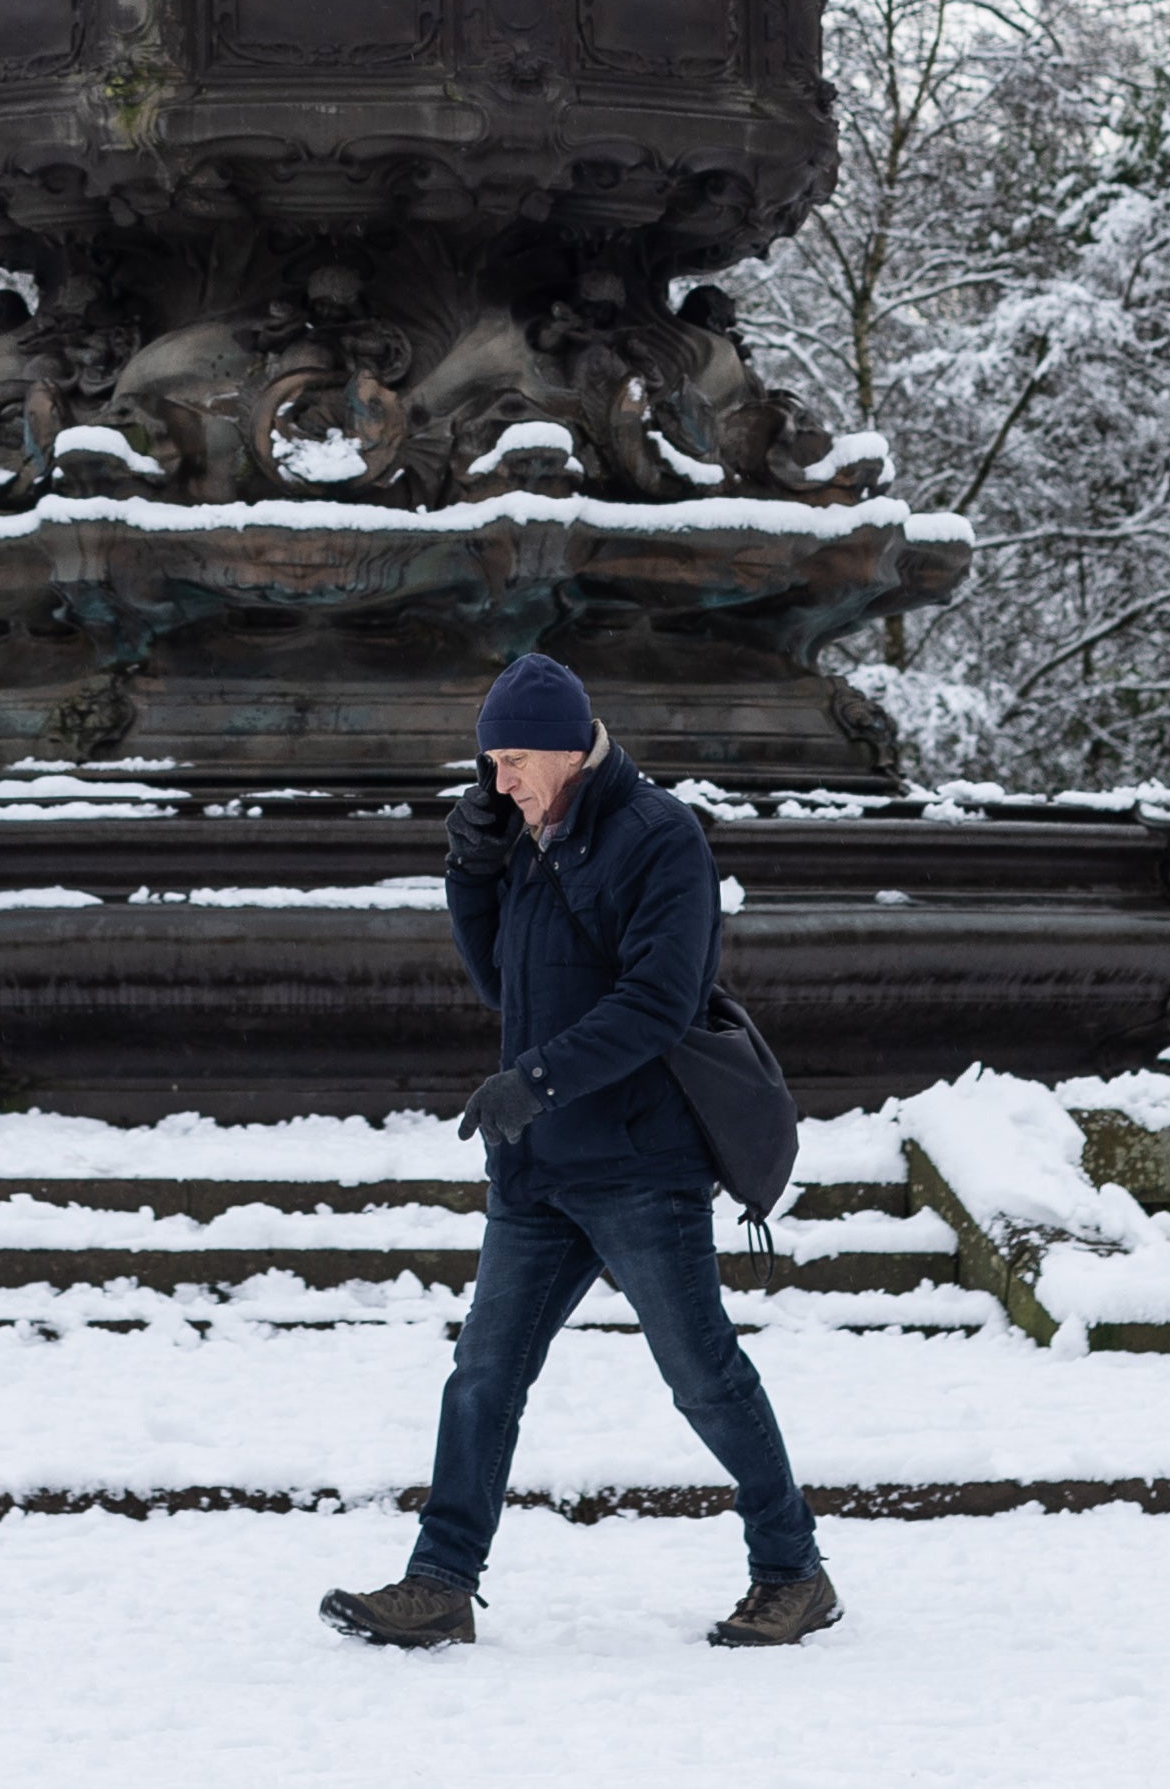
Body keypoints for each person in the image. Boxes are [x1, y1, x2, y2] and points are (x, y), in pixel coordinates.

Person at [318, 651, 837, 1650]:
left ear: (565, 750)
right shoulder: (524, 839)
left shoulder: (659, 839)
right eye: (490, 765)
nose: (497, 782)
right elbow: (502, 985)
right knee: (482, 1375)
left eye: (511, 761)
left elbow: (658, 1003)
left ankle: (792, 1570)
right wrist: (468, 871)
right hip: (537, 1173)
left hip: (642, 1165)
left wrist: (536, 1081)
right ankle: (440, 1581)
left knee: (701, 1374)